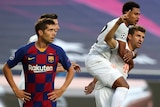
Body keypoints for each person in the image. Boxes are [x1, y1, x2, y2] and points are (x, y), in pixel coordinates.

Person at [2, 18, 75, 107]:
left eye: (54, 31)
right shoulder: (25, 50)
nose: (54, 33)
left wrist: (62, 90)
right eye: (50, 30)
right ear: (40, 32)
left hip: (49, 102)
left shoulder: (57, 51)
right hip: (30, 102)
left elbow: (71, 69)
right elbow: (6, 67)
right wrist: (15, 90)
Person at [84, 1, 141, 107]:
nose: (138, 17)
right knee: (123, 85)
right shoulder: (122, 25)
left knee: (121, 87)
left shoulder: (121, 25)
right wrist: (132, 56)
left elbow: (121, 53)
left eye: (139, 14)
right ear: (127, 13)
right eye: (135, 14)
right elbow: (122, 52)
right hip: (97, 59)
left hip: (100, 61)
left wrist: (133, 54)